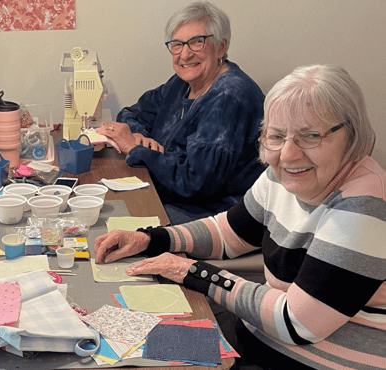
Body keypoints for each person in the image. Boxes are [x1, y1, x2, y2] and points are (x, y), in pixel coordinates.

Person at [94, 64, 386, 369]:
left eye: (310, 135)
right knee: (123, 350)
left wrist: (195, 272)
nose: (288, 154)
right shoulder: (283, 175)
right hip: (255, 343)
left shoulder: (363, 204)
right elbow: (228, 233)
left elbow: (296, 323)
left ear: (350, 134)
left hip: (309, 361)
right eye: (275, 136)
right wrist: (151, 238)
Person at [97, 1, 265, 224]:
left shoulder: (228, 98)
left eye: (197, 42)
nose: (184, 54)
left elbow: (197, 184)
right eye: (177, 44)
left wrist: (139, 150)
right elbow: (132, 113)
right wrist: (139, 135)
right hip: (171, 195)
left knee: (116, 222)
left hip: (215, 215)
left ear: (221, 47)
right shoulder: (181, 83)